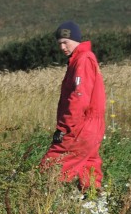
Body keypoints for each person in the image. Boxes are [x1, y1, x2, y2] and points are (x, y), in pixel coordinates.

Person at [40, 21, 106, 190]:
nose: (62, 47)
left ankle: (45, 205)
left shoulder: (82, 60)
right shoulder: (82, 59)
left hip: (80, 125)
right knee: (88, 169)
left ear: (76, 39)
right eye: (59, 43)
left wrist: (63, 128)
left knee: (51, 165)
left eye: (65, 42)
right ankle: (92, 205)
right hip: (93, 126)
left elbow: (78, 98)